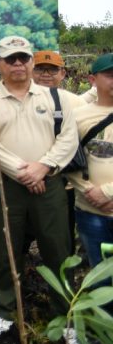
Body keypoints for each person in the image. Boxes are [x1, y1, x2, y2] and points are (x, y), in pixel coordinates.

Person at [0, 37, 79, 344]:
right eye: (11, 59)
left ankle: (65, 316)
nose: (18, 64)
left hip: (49, 184)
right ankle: (3, 310)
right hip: (6, 186)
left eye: (23, 58)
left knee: (58, 250)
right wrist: (23, 171)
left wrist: (43, 167)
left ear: (31, 63)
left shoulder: (56, 99)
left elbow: (68, 139)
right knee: (6, 248)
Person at [31, 50, 83, 255]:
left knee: (63, 235)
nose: (45, 74)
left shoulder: (75, 102)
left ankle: (63, 281)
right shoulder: (15, 99)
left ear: (62, 73)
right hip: (24, 177)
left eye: (52, 70)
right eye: (40, 69)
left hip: (63, 181)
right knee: (20, 236)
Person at [67, 53, 113, 269]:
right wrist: (90, 191)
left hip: (103, 199)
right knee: (99, 274)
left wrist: (108, 192)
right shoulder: (77, 116)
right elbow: (66, 159)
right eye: (110, 75)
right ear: (92, 80)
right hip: (91, 209)